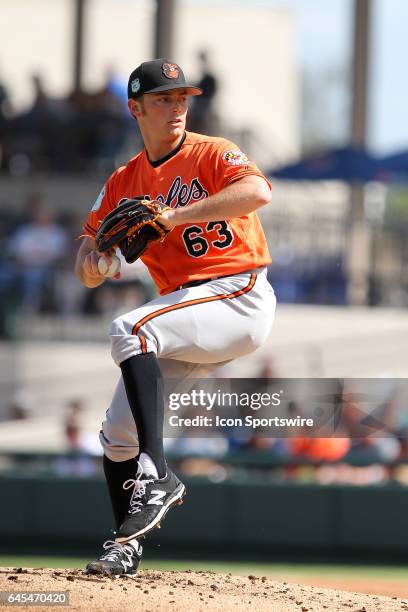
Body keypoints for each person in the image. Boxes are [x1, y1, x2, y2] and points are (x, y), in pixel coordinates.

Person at [75, 58, 276, 576]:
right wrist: (98, 263)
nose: (176, 108)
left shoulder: (213, 151)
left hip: (238, 294)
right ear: (135, 108)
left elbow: (258, 192)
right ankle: (126, 546)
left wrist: (172, 215)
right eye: (164, 99)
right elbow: (86, 259)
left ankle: (157, 472)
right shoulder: (123, 180)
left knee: (129, 328)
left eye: (182, 97)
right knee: (117, 435)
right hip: (187, 316)